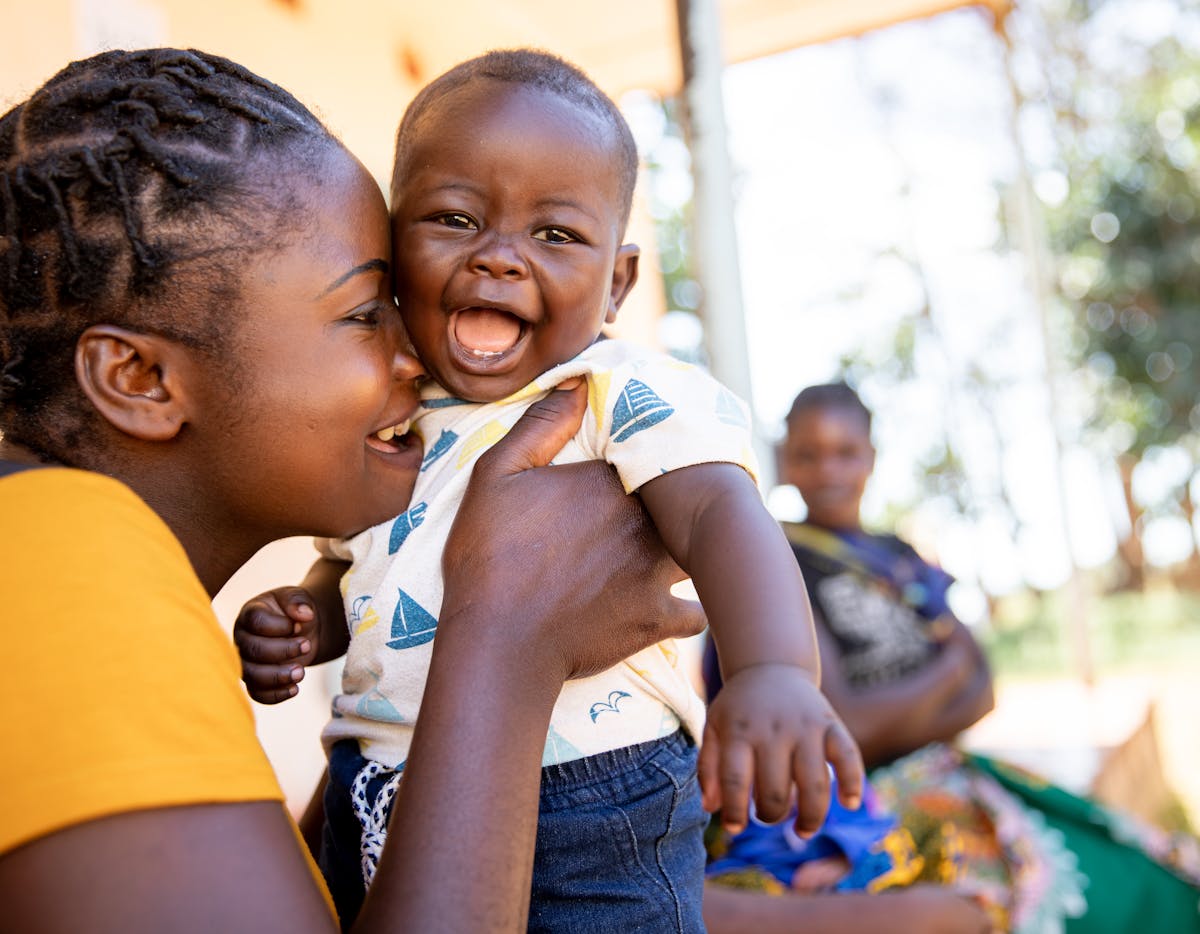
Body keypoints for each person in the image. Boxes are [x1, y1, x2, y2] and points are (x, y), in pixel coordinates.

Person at [0, 47, 709, 933]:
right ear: (142, 377)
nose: (419, 356)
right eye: (366, 313)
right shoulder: (50, 575)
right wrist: (503, 641)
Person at [234, 48, 862, 932]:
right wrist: (302, 620)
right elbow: (358, 568)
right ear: (390, 243)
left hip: (592, 794)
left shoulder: (614, 389)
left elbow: (723, 512)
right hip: (369, 776)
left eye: (555, 234)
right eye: (453, 219)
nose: (498, 258)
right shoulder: (390, 405)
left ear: (619, 282)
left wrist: (771, 670)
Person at [769, 381, 1200, 933]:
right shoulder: (781, 561)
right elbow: (845, 728)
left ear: (871, 458)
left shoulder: (898, 558)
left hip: (953, 776)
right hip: (862, 803)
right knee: (1046, 899)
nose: (828, 471)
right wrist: (944, 675)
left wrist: (902, 714)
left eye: (845, 452)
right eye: (809, 455)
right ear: (786, 461)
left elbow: (984, 693)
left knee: (1138, 869)